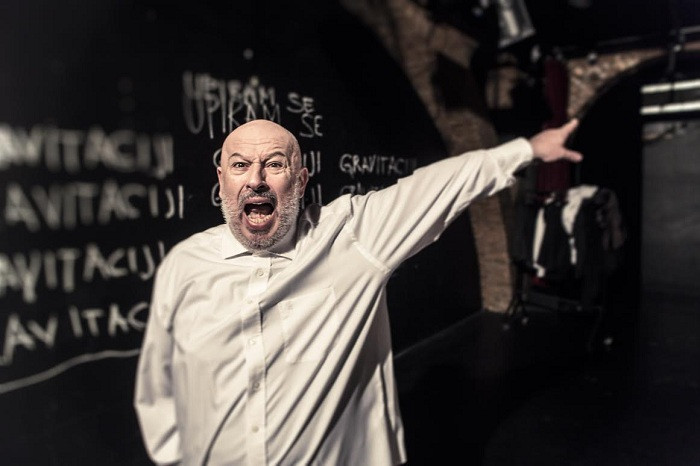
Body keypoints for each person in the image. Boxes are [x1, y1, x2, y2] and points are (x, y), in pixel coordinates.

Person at [134, 118, 582, 465]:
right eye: (239, 165)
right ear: (221, 180)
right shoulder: (184, 265)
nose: (256, 179)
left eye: (274, 164)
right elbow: (158, 384)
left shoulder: (352, 237)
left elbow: (440, 186)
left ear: (301, 180)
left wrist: (527, 150)